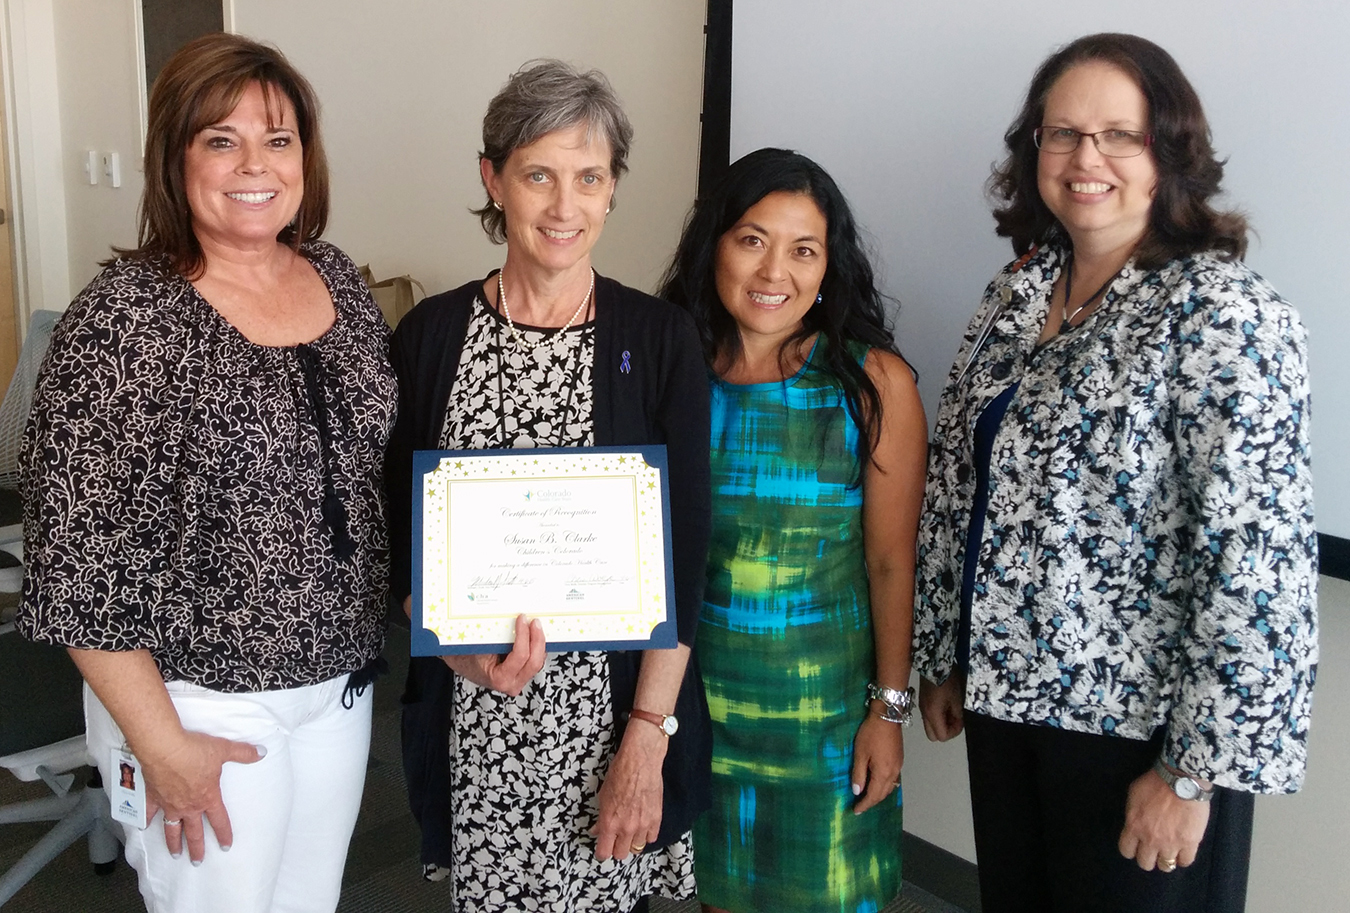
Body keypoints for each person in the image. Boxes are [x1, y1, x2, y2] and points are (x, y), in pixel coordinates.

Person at [913, 32, 1318, 913]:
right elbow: (959, 484)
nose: (1084, 157)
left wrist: (1192, 771)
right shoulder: (1018, 289)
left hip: (1138, 738)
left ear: (1168, 154)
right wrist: (942, 651)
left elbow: (1259, 570)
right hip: (1008, 703)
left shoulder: (1227, 316)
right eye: (1060, 134)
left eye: (1117, 136)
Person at [16, 33, 395, 913]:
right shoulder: (125, 321)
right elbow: (76, 564)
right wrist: (162, 746)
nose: (254, 164)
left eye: (279, 138)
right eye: (220, 140)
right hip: (196, 700)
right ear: (174, 159)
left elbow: (361, 477)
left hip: (334, 684)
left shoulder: (335, 278)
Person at [385, 60, 711, 913]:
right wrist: (447, 641)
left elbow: (686, 555)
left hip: (616, 722)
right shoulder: (429, 336)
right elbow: (398, 537)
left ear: (612, 191)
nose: (565, 207)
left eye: (589, 178)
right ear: (493, 179)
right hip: (479, 718)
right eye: (539, 175)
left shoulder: (662, 337)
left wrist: (646, 740)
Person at [658, 148, 928, 913]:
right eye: (752, 239)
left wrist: (888, 712)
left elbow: (889, 563)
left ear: (828, 266)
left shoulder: (871, 381)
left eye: (803, 249)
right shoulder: (671, 369)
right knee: (719, 899)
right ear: (714, 242)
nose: (775, 270)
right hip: (698, 709)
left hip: (826, 722)